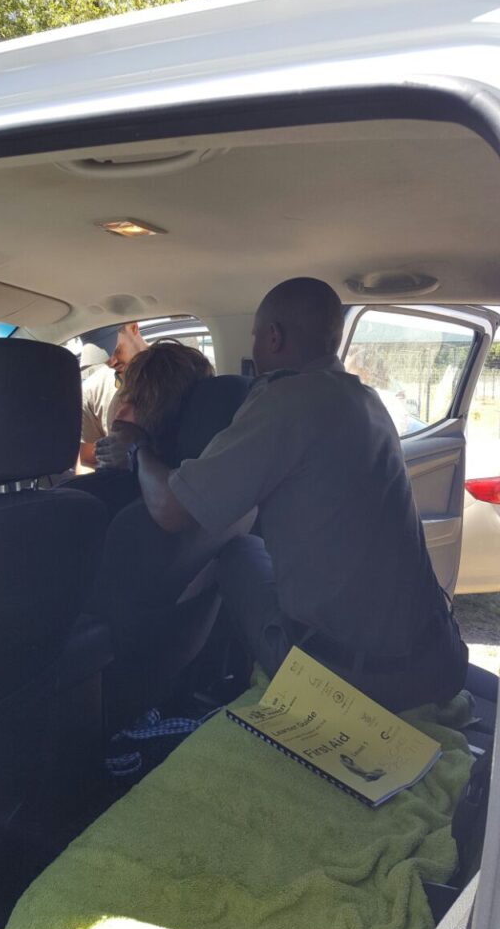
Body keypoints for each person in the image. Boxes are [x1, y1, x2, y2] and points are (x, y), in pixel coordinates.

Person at [96, 277, 468, 712]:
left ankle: (256, 691)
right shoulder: (365, 400)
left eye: (255, 335)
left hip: (354, 682)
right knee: (247, 547)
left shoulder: (285, 401)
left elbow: (172, 510)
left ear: (273, 336)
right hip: (437, 659)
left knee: (236, 558)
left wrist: (136, 448)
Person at [68, 340, 214, 517]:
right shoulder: (222, 488)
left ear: (124, 412)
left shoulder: (79, 503)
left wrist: (136, 449)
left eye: (130, 398)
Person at [78, 322, 149, 471]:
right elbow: (86, 462)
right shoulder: (91, 391)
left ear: (133, 327)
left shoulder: (176, 370)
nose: (110, 361)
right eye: (100, 355)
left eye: (116, 350)